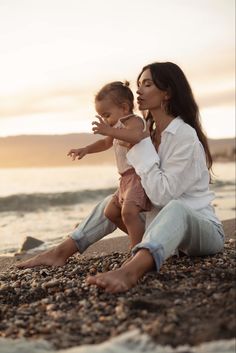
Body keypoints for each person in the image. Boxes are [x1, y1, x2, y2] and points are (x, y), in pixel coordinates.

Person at [17, 62, 225, 295]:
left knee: (176, 207)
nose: (139, 91)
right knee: (114, 202)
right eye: (139, 84)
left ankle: (131, 270)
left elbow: (163, 196)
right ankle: (60, 252)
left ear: (167, 92)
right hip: (167, 234)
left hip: (202, 231)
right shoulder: (145, 130)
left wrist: (142, 147)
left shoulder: (183, 135)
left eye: (147, 84)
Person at [68, 81, 151, 248]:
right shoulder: (115, 127)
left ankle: (138, 248)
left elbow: (135, 136)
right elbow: (105, 143)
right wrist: (86, 149)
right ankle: (143, 241)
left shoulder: (134, 121)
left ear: (125, 107)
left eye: (107, 115)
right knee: (110, 212)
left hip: (137, 177)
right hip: (124, 180)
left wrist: (109, 130)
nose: (105, 121)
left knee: (128, 212)